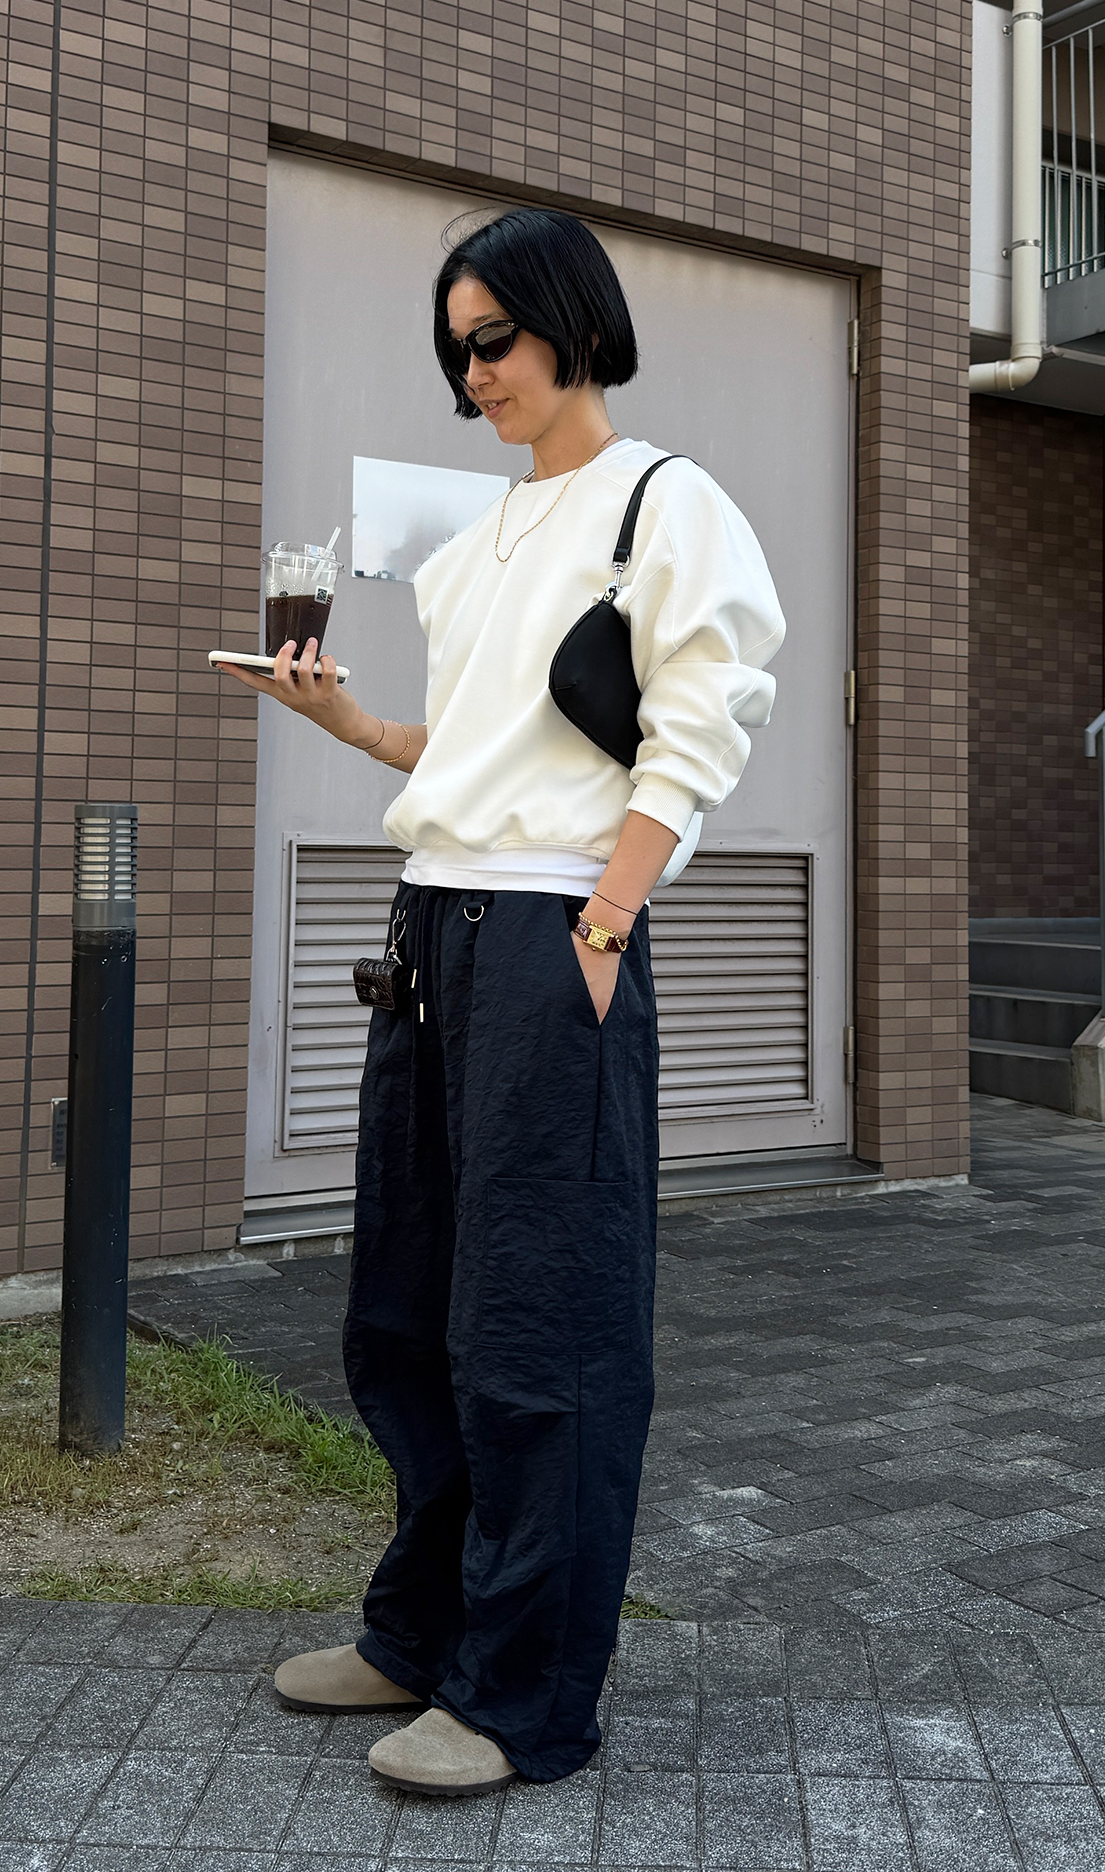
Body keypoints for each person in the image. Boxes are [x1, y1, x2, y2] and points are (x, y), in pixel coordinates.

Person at [216, 207, 785, 1797]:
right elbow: (466, 754)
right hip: (431, 926)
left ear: (574, 324)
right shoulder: (477, 542)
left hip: (552, 932)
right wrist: (344, 722)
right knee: (410, 1307)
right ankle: (423, 1630)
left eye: (495, 339)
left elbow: (705, 721)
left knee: (544, 1317)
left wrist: (609, 917)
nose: (474, 374)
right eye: (453, 350)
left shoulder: (665, 502)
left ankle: (526, 1693)